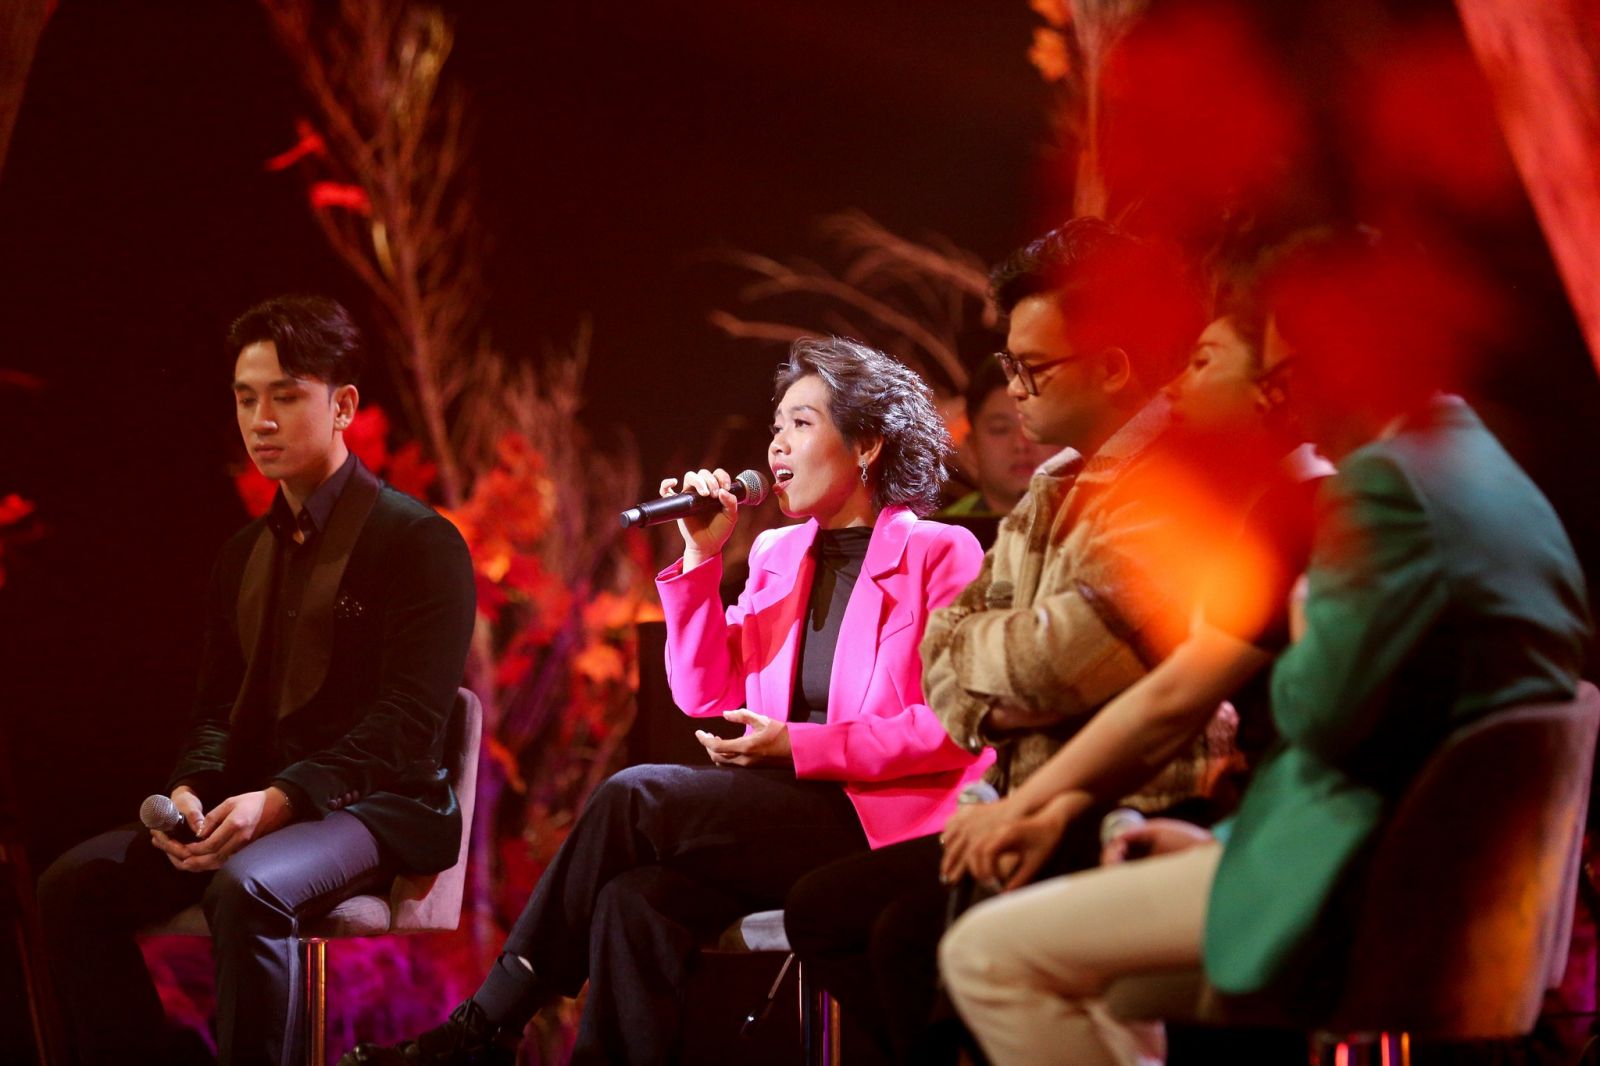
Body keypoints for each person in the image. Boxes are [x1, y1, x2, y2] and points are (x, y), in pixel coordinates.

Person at [938, 229, 1593, 1066]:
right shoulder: (1482, 464)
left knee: (987, 954)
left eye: (1286, 373)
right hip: (1458, 883)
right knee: (1090, 969)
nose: (1290, 401)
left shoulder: (1381, 488)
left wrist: (1306, 614)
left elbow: (1313, 714)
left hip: (1374, 886)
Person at [342, 336, 987, 1066]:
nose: (777, 444)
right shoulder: (776, 554)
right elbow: (704, 690)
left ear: (866, 444)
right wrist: (701, 559)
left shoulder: (941, 553)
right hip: (781, 815)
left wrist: (795, 745)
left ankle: (484, 1028)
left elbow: (950, 729)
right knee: (634, 900)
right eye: (776, 426)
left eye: (802, 424)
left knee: (634, 795)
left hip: (876, 828)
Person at [784, 217, 1249, 1064]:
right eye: (1009, 366)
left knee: (905, 938)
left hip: (1131, 803)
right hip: (1019, 796)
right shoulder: (1054, 483)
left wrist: (993, 675)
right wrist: (999, 681)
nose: (1014, 391)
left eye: (1032, 369)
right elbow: (946, 655)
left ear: (1113, 366)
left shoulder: (1170, 487)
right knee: (826, 910)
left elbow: (1054, 665)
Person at [36, 295, 477, 1066]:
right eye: (246, 399)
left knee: (247, 887)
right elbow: (216, 709)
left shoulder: (420, 542)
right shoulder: (241, 554)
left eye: (285, 396)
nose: (260, 421)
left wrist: (282, 799)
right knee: (71, 886)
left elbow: (408, 723)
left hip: (378, 804)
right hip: (255, 803)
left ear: (343, 406)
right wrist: (190, 789)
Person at [936, 258, 1336, 894]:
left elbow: (1164, 703)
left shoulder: (1292, 504)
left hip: (1284, 840)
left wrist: (1030, 806)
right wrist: (1047, 806)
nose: (1171, 390)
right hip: (1229, 822)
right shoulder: (1274, 505)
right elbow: (941, 646)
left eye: (1201, 362)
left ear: (1276, 384)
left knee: (977, 943)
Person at [941, 357, 1056, 517]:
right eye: (1000, 429)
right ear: (971, 448)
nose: (1020, 444)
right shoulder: (947, 530)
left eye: (1035, 426)